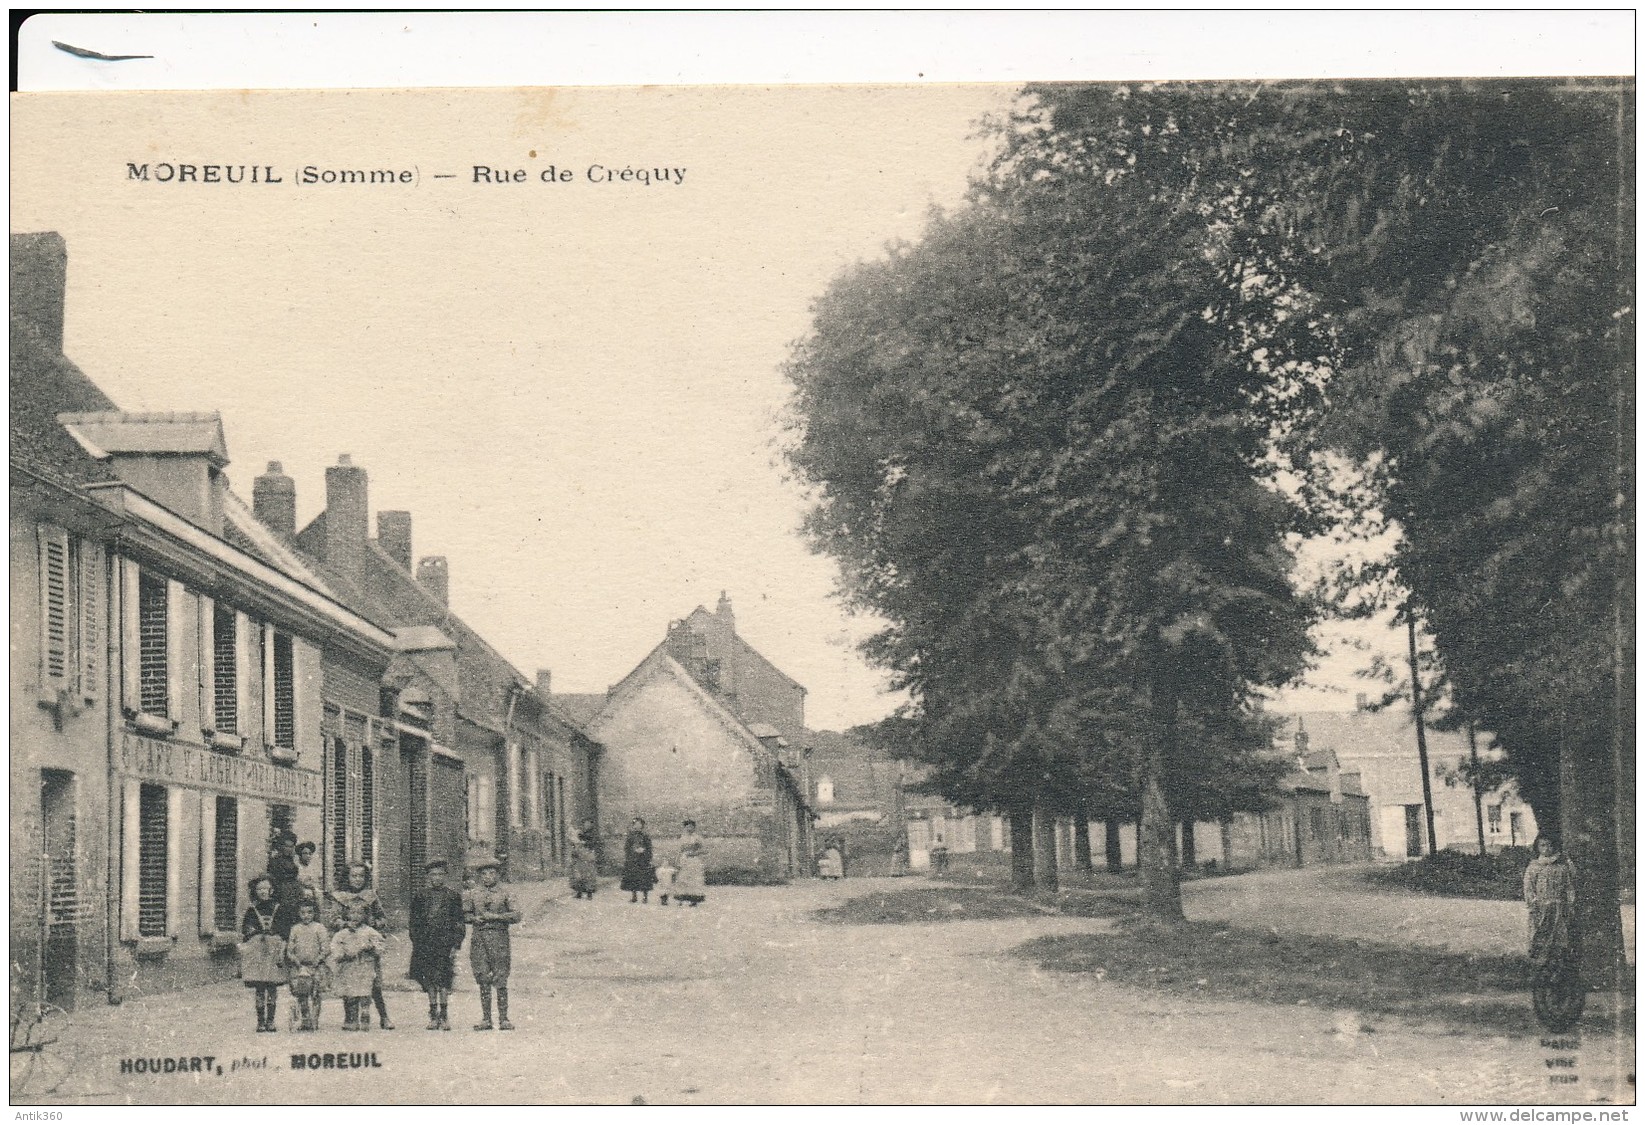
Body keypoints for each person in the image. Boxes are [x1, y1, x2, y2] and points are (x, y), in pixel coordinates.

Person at [328, 862, 394, 1029]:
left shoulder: (371, 896)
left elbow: (383, 919)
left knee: (373, 982)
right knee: (349, 981)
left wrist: (375, 922)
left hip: (367, 945)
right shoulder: (340, 897)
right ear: (347, 877)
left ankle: (383, 1016)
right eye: (353, 876)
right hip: (349, 944)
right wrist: (345, 924)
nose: (357, 879)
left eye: (361, 876)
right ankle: (349, 1018)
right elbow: (333, 919)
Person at [464, 856, 522, 1030]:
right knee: (482, 977)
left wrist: (496, 917)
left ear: (497, 875)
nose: (488, 877)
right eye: (484, 874)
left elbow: (517, 915)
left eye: (491, 873)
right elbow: (464, 914)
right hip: (479, 939)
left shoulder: (506, 894)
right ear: (479, 876)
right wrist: (475, 918)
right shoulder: (473, 894)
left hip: (499, 938)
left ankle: (504, 1018)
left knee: (501, 976)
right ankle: (486, 1019)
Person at [409, 858, 466, 1031]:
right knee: (429, 979)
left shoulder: (453, 896)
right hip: (426, 943)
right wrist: (417, 941)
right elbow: (414, 922)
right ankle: (433, 1014)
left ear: (445, 876)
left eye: (440, 874)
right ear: (428, 876)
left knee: (444, 980)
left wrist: (456, 944)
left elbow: (459, 922)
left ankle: (444, 1015)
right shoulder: (420, 896)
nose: (437, 878)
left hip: (444, 944)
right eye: (433, 874)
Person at [240, 875, 288, 1032]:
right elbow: (245, 929)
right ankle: (260, 1021)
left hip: (273, 950)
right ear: (255, 891)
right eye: (259, 889)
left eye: (265, 888)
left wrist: (276, 934)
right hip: (258, 951)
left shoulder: (278, 908)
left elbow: (283, 929)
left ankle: (271, 1021)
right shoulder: (252, 910)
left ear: (271, 890)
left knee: (272, 986)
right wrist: (253, 932)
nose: (262, 892)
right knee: (260, 986)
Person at [328, 901, 385, 1032]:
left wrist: (371, 948)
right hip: (349, 966)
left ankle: (365, 1014)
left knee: (365, 990)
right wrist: (342, 954)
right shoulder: (343, 933)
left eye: (360, 913)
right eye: (353, 912)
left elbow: (380, 944)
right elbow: (335, 945)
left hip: (365, 965)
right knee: (351, 992)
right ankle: (352, 1019)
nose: (356, 916)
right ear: (347, 914)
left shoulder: (369, 931)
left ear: (365, 915)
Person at [1524, 834, 1578, 970]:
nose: (1547, 848)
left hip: (1558, 907)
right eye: (1543, 845)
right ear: (1537, 847)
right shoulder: (1534, 867)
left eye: (1550, 845)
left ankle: (1556, 968)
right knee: (1540, 935)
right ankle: (1540, 968)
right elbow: (1528, 888)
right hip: (1541, 908)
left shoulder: (1562, 867)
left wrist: (1570, 904)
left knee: (1558, 937)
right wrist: (1534, 903)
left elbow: (1569, 887)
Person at [284, 898, 330, 1032]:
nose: (306, 916)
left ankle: (314, 1020)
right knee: (302, 994)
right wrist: (295, 960)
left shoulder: (319, 928)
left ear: (314, 913)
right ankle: (305, 1020)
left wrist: (318, 959)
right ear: (298, 913)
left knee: (315, 993)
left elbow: (326, 948)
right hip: (300, 966)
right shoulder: (295, 929)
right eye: (303, 913)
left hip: (316, 966)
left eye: (310, 912)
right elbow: (290, 950)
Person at [266, 830, 302, 938]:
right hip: (282, 893)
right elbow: (274, 879)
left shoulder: (292, 860)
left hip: (293, 893)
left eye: (291, 846)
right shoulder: (275, 861)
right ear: (281, 846)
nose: (289, 849)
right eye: (286, 846)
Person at [621, 818, 656, 904]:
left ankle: (645, 897)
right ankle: (634, 896)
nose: (637, 825)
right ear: (633, 825)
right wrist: (633, 851)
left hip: (643, 860)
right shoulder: (630, 836)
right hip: (633, 860)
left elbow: (649, 848)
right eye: (636, 824)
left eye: (639, 824)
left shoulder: (645, 836)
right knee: (633, 878)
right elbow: (626, 848)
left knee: (644, 879)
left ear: (642, 825)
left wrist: (644, 851)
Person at [673, 820, 707, 907]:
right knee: (682, 878)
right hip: (684, 859)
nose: (689, 828)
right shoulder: (682, 838)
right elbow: (679, 850)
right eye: (687, 827)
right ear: (684, 828)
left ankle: (694, 899)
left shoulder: (697, 838)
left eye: (691, 827)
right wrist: (677, 861)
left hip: (694, 860)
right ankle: (681, 898)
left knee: (694, 879)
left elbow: (704, 850)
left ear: (694, 828)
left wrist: (694, 853)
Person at [569, 830, 600, 900]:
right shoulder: (590, 847)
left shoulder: (580, 846)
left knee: (580, 878)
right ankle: (588, 895)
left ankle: (580, 893)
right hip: (588, 865)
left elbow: (575, 854)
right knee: (588, 879)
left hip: (582, 864)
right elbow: (592, 857)